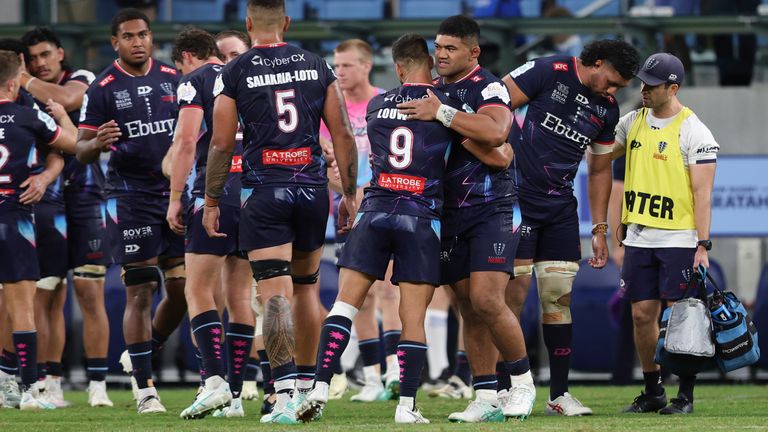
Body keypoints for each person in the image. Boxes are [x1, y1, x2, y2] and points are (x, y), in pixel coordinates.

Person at [202, 0, 358, 424]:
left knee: (274, 295)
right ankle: (308, 386)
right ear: (286, 22)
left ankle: (284, 393)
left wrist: (212, 200)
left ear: (249, 23)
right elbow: (342, 132)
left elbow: (220, 143)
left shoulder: (234, 71)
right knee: (308, 288)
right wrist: (349, 191)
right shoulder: (316, 64)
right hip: (310, 189)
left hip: (265, 189)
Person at [296, 32, 461, 424]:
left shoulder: (376, 103)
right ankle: (407, 405)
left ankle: (318, 387)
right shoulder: (448, 105)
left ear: (398, 68)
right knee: (411, 316)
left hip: (374, 209)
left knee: (344, 304)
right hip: (420, 214)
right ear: (431, 65)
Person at [397, 15, 531, 422]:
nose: (440, 54)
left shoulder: (486, 85)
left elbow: (497, 132)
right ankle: (486, 396)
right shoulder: (433, 92)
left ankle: (522, 386)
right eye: (437, 47)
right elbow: (488, 147)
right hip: (446, 211)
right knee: (467, 307)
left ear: (473, 51)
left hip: (491, 208)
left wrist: (443, 116)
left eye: (450, 48)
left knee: (489, 299)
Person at [501, 39, 640, 416]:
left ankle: (559, 395)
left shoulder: (606, 110)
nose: (613, 92)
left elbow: (598, 170)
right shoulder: (547, 71)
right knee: (511, 300)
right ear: (595, 63)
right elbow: (492, 109)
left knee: (558, 299)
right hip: (516, 203)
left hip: (561, 210)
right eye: (612, 82)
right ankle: (504, 391)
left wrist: (599, 228)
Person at [75, 8, 186, 414]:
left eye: (143, 34)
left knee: (182, 290)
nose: (137, 41)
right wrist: (96, 143)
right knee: (141, 289)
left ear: (151, 38)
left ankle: (142, 350)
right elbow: (81, 149)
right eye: (129, 36)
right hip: (129, 196)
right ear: (115, 42)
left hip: (174, 193)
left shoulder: (174, 80)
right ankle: (145, 389)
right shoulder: (102, 88)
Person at [616, 53, 718, 415]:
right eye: (642, 81)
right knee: (642, 315)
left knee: (682, 317)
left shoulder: (695, 130)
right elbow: (599, 153)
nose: (643, 89)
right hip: (639, 238)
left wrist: (702, 244)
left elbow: (703, 193)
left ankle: (685, 396)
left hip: (678, 239)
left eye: (652, 84)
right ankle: (652, 390)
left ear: (672, 88)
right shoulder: (632, 121)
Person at [161, 28, 254, 420]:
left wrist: (175, 197)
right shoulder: (245, 77)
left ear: (185, 57)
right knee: (239, 297)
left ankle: (214, 381)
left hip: (212, 193)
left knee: (198, 289)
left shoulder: (194, 81)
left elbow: (185, 141)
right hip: (252, 193)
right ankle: (234, 396)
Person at [20, 27, 113, 408]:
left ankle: (98, 386)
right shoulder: (20, 97)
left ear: (60, 53)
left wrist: (20, 75)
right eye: (32, 59)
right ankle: (50, 382)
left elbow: (66, 98)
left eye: (45, 55)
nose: (40, 63)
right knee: (48, 295)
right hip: (47, 201)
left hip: (88, 197)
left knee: (90, 294)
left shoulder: (82, 79)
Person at [319, 38, 402, 403]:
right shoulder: (329, 109)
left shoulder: (386, 103)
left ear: (367, 65)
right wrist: (351, 191)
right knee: (361, 297)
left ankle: (396, 372)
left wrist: (373, 190)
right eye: (336, 66)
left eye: (347, 65)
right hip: (350, 213)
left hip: (387, 207)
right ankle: (371, 378)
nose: (340, 73)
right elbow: (325, 170)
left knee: (389, 289)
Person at [0, 49, 76, 410]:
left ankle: (3, 384)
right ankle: (30, 390)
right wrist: (61, 116)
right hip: (15, 219)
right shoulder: (28, 116)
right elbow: (72, 145)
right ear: (14, 83)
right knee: (21, 305)